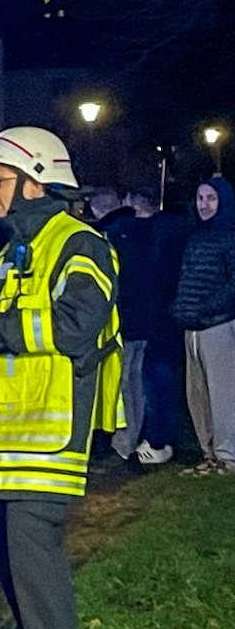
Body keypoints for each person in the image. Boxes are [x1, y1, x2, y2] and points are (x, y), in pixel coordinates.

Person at [0, 126, 123, 629]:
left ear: (34, 183)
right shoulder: (13, 250)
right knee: (12, 552)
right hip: (8, 435)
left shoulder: (80, 244)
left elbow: (77, 326)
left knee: (33, 553)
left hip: (48, 434)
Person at [106, 186, 184, 465]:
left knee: (134, 384)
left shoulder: (122, 231)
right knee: (148, 384)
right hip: (160, 320)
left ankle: (138, 441)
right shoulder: (173, 230)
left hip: (135, 321)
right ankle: (152, 440)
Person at [172, 178, 235, 476]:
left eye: (211, 198)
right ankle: (208, 453)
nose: (204, 204)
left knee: (223, 394)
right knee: (197, 394)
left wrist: (210, 306)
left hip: (218, 325)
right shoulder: (194, 235)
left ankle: (228, 456)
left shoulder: (230, 236)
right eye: (200, 198)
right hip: (191, 326)